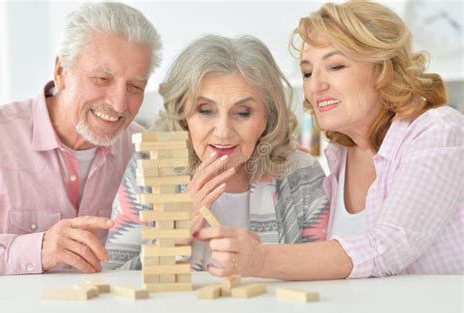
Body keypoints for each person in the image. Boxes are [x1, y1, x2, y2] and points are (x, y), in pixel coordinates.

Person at [197, 1, 463, 279]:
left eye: (335, 66)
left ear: (384, 69)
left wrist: (261, 258)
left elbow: (387, 247)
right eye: (308, 72)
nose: (315, 85)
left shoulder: (437, 131)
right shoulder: (341, 153)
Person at [104, 34, 329, 274]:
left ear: (268, 117)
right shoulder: (150, 169)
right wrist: (174, 232)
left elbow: (324, 272)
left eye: (243, 113)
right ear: (183, 115)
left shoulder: (301, 174)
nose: (223, 132)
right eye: (205, 110)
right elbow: (116, 277)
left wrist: (264, 260)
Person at [0, 2, 162, 276]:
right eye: (102, 78)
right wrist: (37, 249)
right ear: (61, 72)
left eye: (135, 86)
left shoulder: (146, 154)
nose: (119, 105)